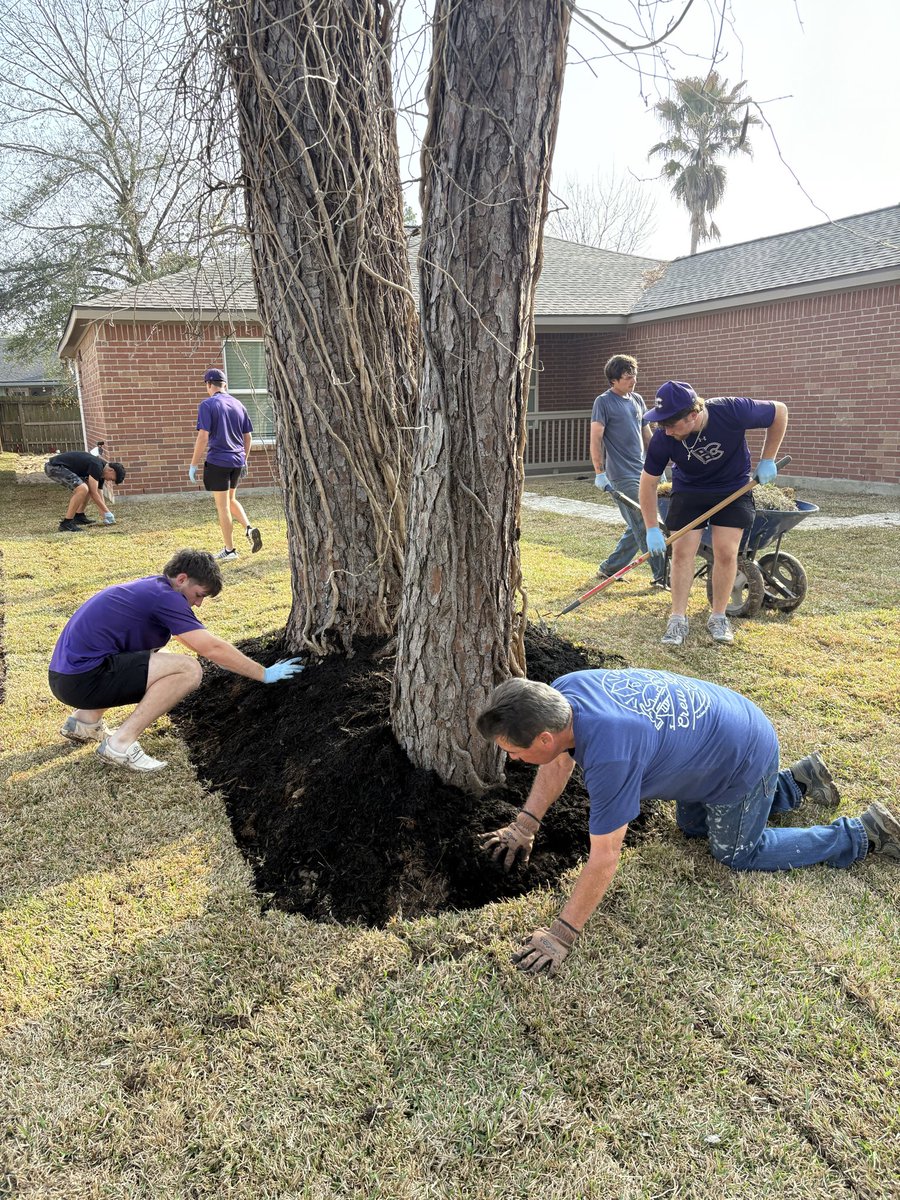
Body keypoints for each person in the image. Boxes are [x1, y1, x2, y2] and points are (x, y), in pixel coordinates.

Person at [477, 670, 899, 976]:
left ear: (545, 739)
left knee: (734, 851)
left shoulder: (611, 753)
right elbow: (560, 762)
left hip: (743, 755)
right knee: (693, 828)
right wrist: (525, 824)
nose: (512, 759)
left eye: (513, 751)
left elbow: (605, 858)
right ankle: (796, 783)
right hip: (726, 730)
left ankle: (862, 833)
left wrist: (561, 935)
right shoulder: (565, 694)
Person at [48, 548, 304, 773]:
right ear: (182, 579)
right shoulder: (166, 598)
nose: (199, 604)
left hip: (66, 678)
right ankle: (120, 745)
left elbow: (192, 642)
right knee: (188, 670)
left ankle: (84, 723)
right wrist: (264, 673)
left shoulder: (153, 588)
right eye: (199, 594)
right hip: (82, 679)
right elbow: (211, 648)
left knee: (157, 660)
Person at [638, 381, 788, 646]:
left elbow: (779, 412)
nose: (666, 431)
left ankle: (718, 616)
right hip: (689, 490)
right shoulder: (664, 438)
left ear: (693, 415)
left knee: (726, 552)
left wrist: (768, 458)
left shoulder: (731, 410)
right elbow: (648, 482)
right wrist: (651, 527)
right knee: (683, 552)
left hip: (732, 489)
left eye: (671, 425)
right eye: (662, 424)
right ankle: (677, 618)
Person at [590, 354, 666, 588]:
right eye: (627, 376)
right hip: (621, 476)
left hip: (644, 471)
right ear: (614, 379)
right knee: (645, 521)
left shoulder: (637, 400)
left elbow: (646, 434)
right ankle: (662, 576)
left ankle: (609, 568)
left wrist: (659, 462)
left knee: (637, 523)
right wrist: (599, 472)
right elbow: (596, 438)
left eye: (634, 375)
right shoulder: (603, 402)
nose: (633, 380)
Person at [189, 368, 263, 561]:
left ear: (208, 385)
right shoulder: (238, 404)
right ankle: (248, 528)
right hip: (237, 461)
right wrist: (244, 460)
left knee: (222, 507)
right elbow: (248, 437)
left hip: (218, 461)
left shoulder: (208, 405)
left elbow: (203, 437)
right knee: (231, 499)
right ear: (225, 385)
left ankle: (230, 550)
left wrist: (193, 464)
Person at [44, 450, 126, 533]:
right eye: (111, 479)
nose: (109, 481)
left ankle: (79, 516)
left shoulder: (102, 471)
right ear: (111, 470)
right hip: (54, 467)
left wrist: (104, 515)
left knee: (88, 487)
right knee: (82, 488)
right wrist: (108, 512)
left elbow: (99, 495)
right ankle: (66, 523)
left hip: (59, 467)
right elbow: (94, 494)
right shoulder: (97, 466)